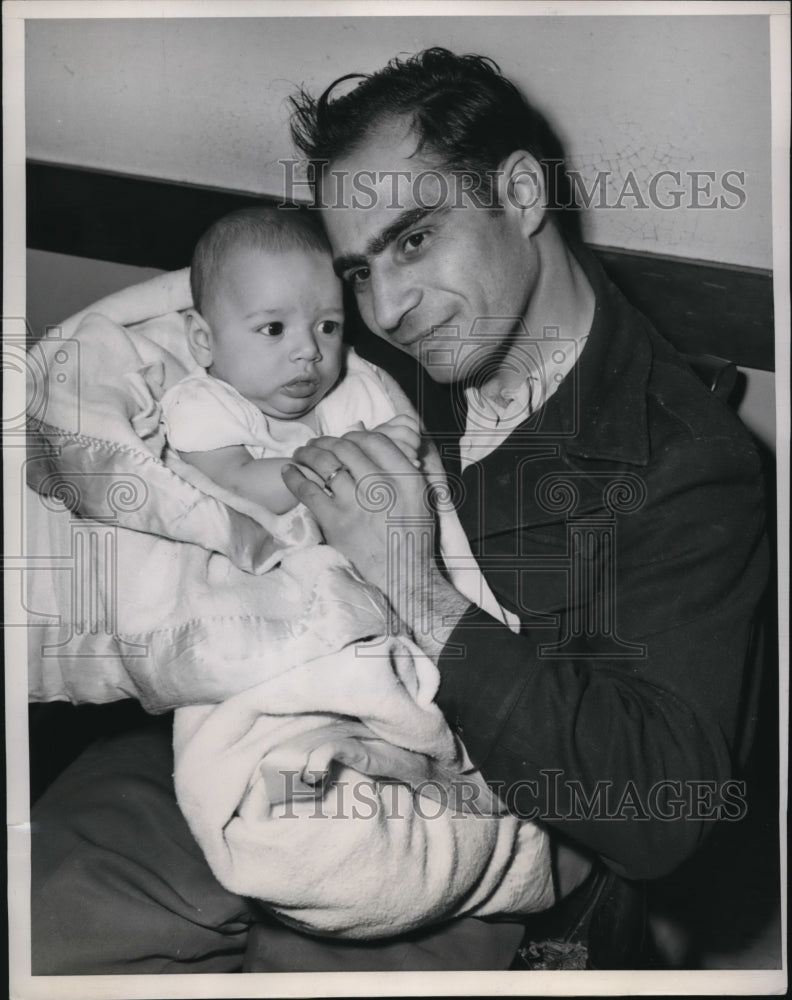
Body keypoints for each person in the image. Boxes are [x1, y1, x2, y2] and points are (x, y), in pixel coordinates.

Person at [29, 47, 768, 973]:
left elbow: (665, 811)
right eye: (360, 271)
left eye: (414, 240)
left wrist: (415, 586)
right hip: (248, 707)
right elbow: (186, 330)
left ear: (524, 194)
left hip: (474, 818)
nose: (390, 305)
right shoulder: (358, 349)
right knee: (44, 914)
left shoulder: (687, 465)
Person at [159, 205, 422, 515]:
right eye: (274, 329)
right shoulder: (202, 403)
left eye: (327, 326)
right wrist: (357, 457)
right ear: (204, 341)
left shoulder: (352, 388)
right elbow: (236, 483)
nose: (309, 349)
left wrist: (390, 451)